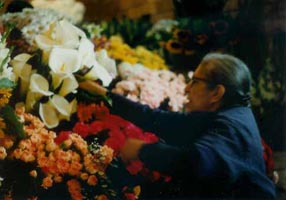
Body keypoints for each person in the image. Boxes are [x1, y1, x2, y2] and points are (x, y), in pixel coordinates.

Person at [79, 52, 276, 198]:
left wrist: (142, 150)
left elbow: (196, 162)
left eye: (195, 81)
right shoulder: (229, 114)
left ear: (217, 93)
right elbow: (159, 119)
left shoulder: (230, 127)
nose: (186, 88)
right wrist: (106, 96)